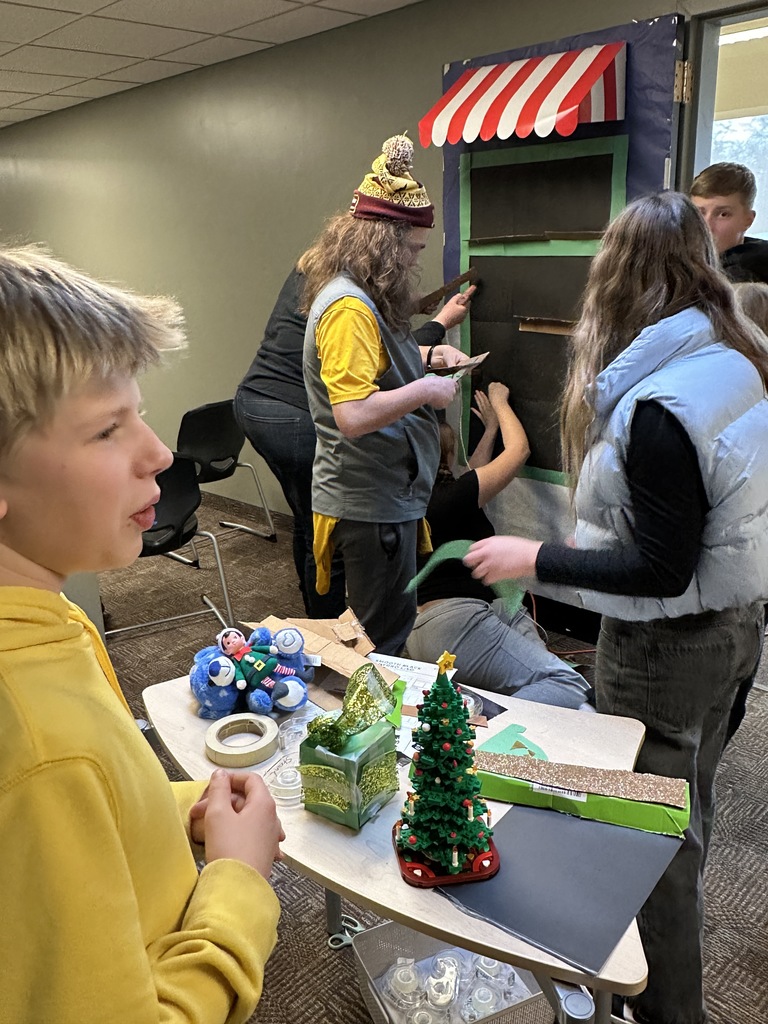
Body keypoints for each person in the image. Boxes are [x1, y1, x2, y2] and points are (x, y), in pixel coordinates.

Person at [464, 191, 768, 1024]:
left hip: (667, 650)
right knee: (686, 812)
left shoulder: (658, 406)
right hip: (734, 629)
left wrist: (534, 558)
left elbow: (663, 570)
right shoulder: (736, 354)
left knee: (650, 846)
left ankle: (669, 1007)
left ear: (618, 279)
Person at [0, 246, 283, 1024]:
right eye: (106, 430)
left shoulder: (44, 622)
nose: (159, 453)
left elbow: (85, 819)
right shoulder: (39, 746)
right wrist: (239, 882)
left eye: (140, 414)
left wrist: (176, 808)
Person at [300, 133, 465, 655]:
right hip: (370, 503)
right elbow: (351, 413)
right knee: (379, 639)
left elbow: (376, 371)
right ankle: (368, 709)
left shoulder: (365, 296)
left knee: (388, 623)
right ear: (385, 245)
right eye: (412, 249)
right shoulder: (348, 308)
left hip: (387, 494)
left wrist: (428, 359)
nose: (415, 261)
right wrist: (426, 390)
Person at [234, 266, 475, 618]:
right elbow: (357, 404)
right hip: (287, 406)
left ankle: (327, 626)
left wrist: (430, 334)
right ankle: (332, 628)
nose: (412, 262)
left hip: (264, 401)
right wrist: (427, 377)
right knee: (327, 531)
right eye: (411, 250)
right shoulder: (347, 301)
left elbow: (378, 351)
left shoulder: (329, 275)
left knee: (312, 522)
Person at [406, 383, 592, 710]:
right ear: (445, 457)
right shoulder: (453, 497)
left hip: (421, 629)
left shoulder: (410, 501)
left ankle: (531, 689)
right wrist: (500, 402)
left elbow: (476, 473)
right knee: (567, 685)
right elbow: (518, 451)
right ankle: (478, 727)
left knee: (514, 611)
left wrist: (491, 428)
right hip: (457, 624)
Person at [690, 161, 768, 283]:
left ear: (748, 220)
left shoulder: (746, 278)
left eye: (723, 214)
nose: (706, 226)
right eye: (699, 213)